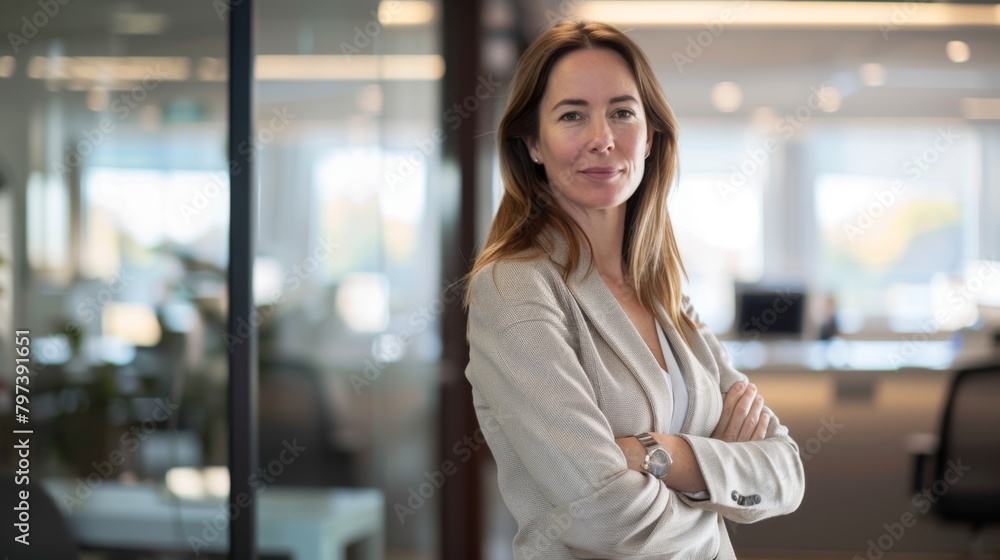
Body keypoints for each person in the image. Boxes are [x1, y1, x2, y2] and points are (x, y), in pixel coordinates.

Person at [463, 21, 805, 559]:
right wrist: (711, 510)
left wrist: (657, 453)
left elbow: (785, 473)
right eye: (572, 115)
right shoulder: (514, 289)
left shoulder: (663, 292)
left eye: (622, 112)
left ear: (649, 137)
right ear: (532, 142)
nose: (602, 138)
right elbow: (598, 515)